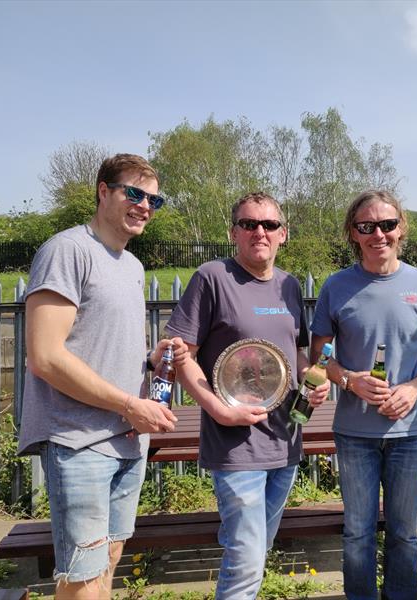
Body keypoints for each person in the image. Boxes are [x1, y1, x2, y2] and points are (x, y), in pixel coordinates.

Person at [18, 154, 179, 599]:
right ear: (103, 191)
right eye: (134, 193)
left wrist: (152, 359)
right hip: (79, 440)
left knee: (105, 565)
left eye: (154, 198)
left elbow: (98, 347)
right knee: (83, 576)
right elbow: (45, 357)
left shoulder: (131, 265)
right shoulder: (66, 250)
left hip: (126, 439)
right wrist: (130, 404)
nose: (145, 204)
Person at [165, 192, 329, 599]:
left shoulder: (288, 285)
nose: (260, 231)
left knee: (256, 548)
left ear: (283, 234)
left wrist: (314, 380)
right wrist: (219, 411)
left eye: (269, 225)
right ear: (233, 232)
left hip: (285, 439)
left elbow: (298, 352)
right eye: (249, 224)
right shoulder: (212, 277)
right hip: (235, 446)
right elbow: (179, 353)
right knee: (246, 558)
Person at [310, 190, 417, 600]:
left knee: (404, 535)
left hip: (410, 433)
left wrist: (413, 388)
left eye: (387, 224)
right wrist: (350, 380)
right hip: (354, 433)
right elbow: (318, 357)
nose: (379, 233)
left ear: (401, 228)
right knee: (357, 533)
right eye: (367, 226)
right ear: (353, 233)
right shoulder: (337, 287)